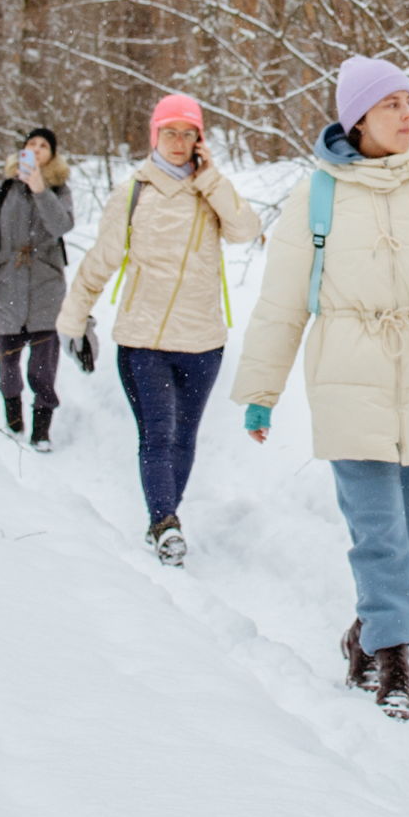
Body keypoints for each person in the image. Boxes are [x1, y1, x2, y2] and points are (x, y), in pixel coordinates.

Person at [231, 55, 409, 719]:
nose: (407, 115)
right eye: (392, 105)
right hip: (348, 373)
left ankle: (365, 627)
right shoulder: (317, 195)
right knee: (379, 531)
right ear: (357, 118)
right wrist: (261, 390)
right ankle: (393, 656)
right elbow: (282, 301)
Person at [58, 94, 262, 565]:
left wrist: (210, 177)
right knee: (157, 434)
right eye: (169, 132)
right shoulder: (134, 192)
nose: (178, 142)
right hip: (142, 341)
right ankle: (165, 522)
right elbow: (100, 261)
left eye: (187, 133)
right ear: (154, 136)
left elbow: (246, 229)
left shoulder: (210, 191)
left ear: (200, 140)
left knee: (184, 437)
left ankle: (166, 516)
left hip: (202, 342)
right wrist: (73, 319)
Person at [0, 127, 77, 452]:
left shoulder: (58, 190)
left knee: (42, 370)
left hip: (46, 290)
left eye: (44, 145)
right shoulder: (3, 190)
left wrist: (40, 189)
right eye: (32, 144)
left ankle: (41, 430)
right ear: (22, 151)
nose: (37, 149)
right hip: (7, 288)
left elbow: (62, 225)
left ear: (52, 155)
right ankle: (14, 418)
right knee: (7, 365)